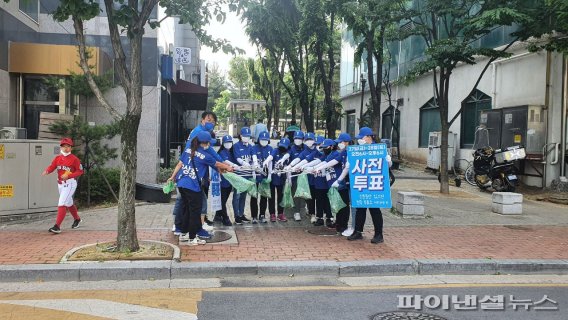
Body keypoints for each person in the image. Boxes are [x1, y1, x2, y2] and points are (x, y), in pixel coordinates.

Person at [168, 131, 233, 245]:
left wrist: (172, 177)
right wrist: (228, 167)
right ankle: (192, 238)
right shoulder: (205, 155)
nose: (209, 145)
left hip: (182, 183)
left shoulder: (188, 150)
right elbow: (217, 164)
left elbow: (179, 164)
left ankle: (183, 234)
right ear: (205, 143)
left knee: (186, 210)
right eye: (209, 143)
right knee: (194, 212)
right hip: (192, 186)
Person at [348, 127, 388, 244]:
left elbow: (386, 167)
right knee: (360, 208)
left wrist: (388, 161)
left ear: (369, 137)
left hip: (374, 183)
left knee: (375, 209)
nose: (360, 140)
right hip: (362, 182)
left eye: (362, 138)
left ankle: (379, 234)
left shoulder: (379, 149)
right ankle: (358, 231)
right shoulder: (359, 150)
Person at [42, 138, 84, 234]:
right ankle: (77, 219)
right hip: (60, 184)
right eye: (64, 146)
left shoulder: (74, 159)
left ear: (71, 148)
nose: (66, 148)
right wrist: (47, 171)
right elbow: (52, 166)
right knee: (68, 203)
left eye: (68, 146)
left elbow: (80, 171)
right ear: (61, 147)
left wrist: (68, 175)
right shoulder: (58, 158)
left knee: (62, 203)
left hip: (70, 183)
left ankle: (57, 226)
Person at [288, 132, 319, 223]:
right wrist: (292, 166)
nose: (309, 141)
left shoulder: (317, 150)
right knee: (298, 194)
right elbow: (299, 159)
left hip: (315, 177)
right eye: (307, 140)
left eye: (311, 139)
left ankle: (313, 213)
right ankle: (297, 212)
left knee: (312, 196)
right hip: (302, 177)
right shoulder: (304, 151)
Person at [216, 135, 240, 226]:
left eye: (230, 142)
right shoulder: (222, 152)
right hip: (222, 180)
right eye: (226, 142)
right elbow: (226, 162)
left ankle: (218, 215)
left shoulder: (232, 152)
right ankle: (225, 218)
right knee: (222, 201)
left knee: (224, 200)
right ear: (223, 143)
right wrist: (234, 165)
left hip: (230, 181)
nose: (228, 144)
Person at [232, 127, 254, 224]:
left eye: (248, 136)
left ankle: (241, 214)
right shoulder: (236, 146)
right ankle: (236, 216)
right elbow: (237, 158)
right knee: (237, 196)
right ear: (240, 136)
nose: (246, 138)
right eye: (245, 136)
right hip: (239, 175)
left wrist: (253, 165)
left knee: (243, 196)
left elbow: (253, 158)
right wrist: (245, 164)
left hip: (247, 175)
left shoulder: (251, 146)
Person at [250, 131, 274, 223]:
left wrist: (270, 175)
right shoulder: (254, 148)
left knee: (264, 196)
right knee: (254, 196)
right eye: (262, 140)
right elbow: (254, 159)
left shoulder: (270, 148)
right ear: (258, 140)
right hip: (256, 175)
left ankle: (262, 215)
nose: (264, 141)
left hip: (265, 176)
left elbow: (270, 162)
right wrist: (254, 173)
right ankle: (254, 216)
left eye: (266, 140)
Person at [283, 130, 306, 221]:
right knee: (296, 193)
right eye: (296, 138)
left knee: (304, 193)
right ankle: (296, 212)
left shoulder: (306, 148)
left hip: (305, 174)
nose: (298, 140)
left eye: (299, 138)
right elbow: (288, 158)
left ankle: (305, 209)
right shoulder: (291, 148)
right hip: (294, 175)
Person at [270, 138, 291, 222]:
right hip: (272, 178)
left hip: (282, 179)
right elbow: (271, 157)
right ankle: (272, 214)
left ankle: (280, 213)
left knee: (281, 196)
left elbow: (288, 163)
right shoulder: (275, 150)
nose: (282, 148)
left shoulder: (288, 153)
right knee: (271, 197)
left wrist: (288, 178)